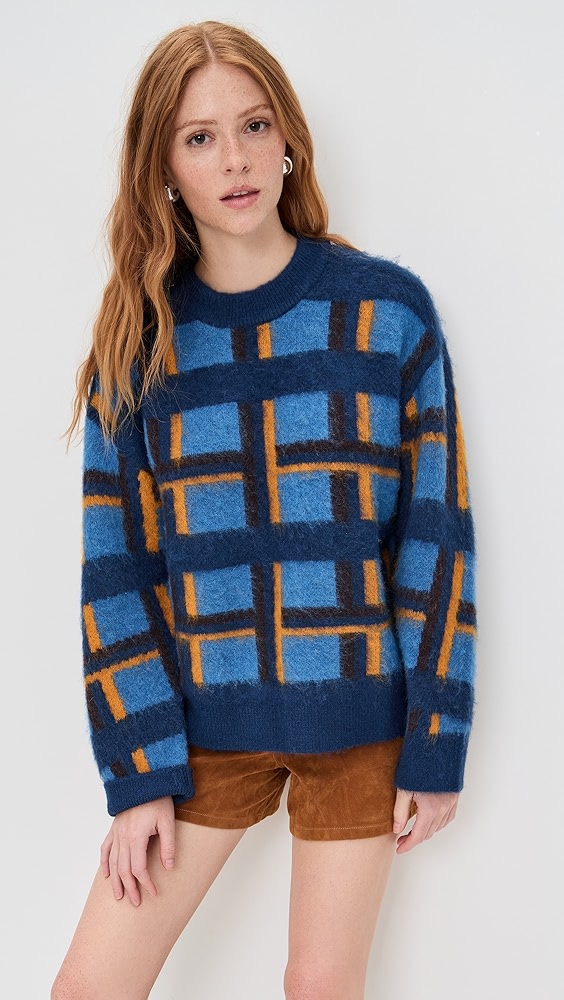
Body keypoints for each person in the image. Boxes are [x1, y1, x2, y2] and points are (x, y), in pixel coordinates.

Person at [53, 18, 477, 1000]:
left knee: (318, 987)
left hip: (360, 719)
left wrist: (437, 740)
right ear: (162, 166)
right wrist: (139, 771)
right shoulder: (141, 344)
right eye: (199, 137)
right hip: (202, 729)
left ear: (288, 137)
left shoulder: (385, 314)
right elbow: (118, 570)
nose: (235, 159)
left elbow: (434, 537)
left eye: (253, 125)